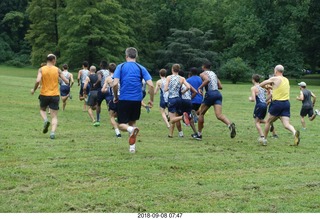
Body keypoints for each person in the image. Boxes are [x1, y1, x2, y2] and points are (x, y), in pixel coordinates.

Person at [113, 47, 154, 153]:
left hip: (124, 98)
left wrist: (116, 97)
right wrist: (151, 100)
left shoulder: (120, 67)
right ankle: (132, 148)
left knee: (121, 125)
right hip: (137, 100)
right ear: (136, 56)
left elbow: (114, 84)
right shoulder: (141, 68)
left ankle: (130, 130)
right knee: (133, 122)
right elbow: (151, 85)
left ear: (126, 56)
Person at [192, 62, 236, 140]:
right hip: (218, 94)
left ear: (203, 67)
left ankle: (199, 135)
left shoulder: (202, 74)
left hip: (210, 94)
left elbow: (207, 80)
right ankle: (229, 125)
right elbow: (220, 86)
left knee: (201, 114)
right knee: (219, 115)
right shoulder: (214, 74)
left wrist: (199, 88)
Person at [30, 54, 69, 139]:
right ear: (53, 60)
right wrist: (63, 80)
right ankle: (52, 133)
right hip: (55, 95)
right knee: (54, 116)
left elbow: (37, 80)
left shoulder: (41, 69)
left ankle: (45, 120)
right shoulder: (57, 70)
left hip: (44, 94)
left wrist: (34, 90)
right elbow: (66, 81)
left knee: (42, 109)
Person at [260, 64, 300, 146]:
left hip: (277, 103)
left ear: (276, 71)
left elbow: (262, 84)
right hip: (286, 103)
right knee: (286, 124)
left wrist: (263, 86)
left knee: (268, 121)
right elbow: (278, 88)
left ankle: (264, 139)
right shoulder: (286, 79)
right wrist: (270, 87)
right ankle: (294, 132)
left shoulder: (275, 78)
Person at [249, 74, 277, 145]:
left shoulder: (253, 88)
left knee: (256, 122)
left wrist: (250, 98)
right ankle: (269, 125)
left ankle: (262, 137)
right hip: (265, 105)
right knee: (260, 120)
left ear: (253, 80)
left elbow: (253, 99)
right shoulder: (263, 88)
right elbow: (268, 96)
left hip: (259, 105)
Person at [164, 64, 191, 138]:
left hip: (172, 99)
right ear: (178, 70)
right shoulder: (182, 78)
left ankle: (182, 117)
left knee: (172, 119)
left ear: (172, 69)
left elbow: (165, 89)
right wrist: (183, 92)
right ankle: (170, 134)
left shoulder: (169, 77)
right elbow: (188, 87)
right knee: (175, 116)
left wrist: (170, 88)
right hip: (179, 99)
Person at [101, 63, 121, 138]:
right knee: (119, 114)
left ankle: (117, 132)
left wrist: (107, 89)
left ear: (109, 70)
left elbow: (103, 90)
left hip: (114, 97)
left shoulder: (108, 78)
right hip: (122, 97)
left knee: (111, 116)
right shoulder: (120, 77)